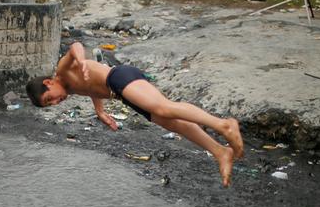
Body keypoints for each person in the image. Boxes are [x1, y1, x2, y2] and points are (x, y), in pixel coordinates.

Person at [25, 42, 244, 187]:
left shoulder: (63, 70)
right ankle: (219, 152)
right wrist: (99, 110)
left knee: (164, 107)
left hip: (119, 78)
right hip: (122, 95)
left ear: (48, 82)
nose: (55, 102)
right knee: (173, 124)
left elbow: (75, 46)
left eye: (50, 98)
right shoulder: (70, 88)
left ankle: (223, 125)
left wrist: (81, 61)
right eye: (50, 105)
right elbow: (91, 89)